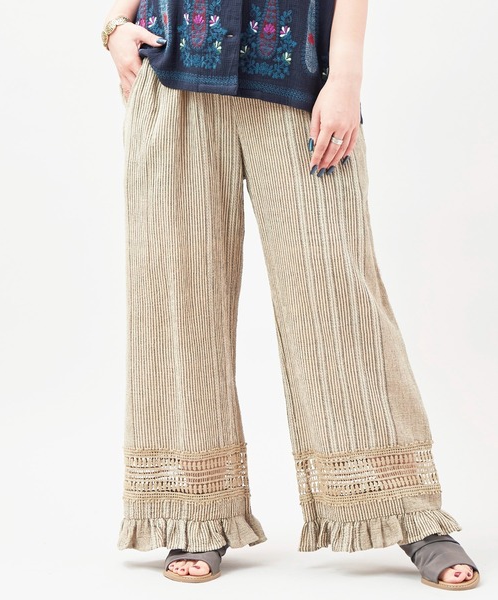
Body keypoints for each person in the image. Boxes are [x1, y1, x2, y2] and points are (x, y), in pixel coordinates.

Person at [103, 0, 480, 590]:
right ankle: (192, 508)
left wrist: (346, 76)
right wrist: (115, 26)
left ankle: (403, 508)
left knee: (337, 296)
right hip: (174, 71)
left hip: (298, 78)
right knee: (177, 301)